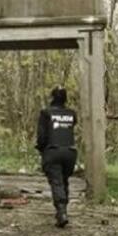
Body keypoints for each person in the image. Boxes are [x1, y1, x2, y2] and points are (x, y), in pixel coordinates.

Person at [36, 87, 78, 228]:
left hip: (52, 151)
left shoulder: (46, 113)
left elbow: (42, 137)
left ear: (52, 97)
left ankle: (61, 211)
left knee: (57, 182)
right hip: (70, 152)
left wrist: (41, 149)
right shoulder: (71, 114)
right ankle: (63, 210)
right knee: (64, 181)